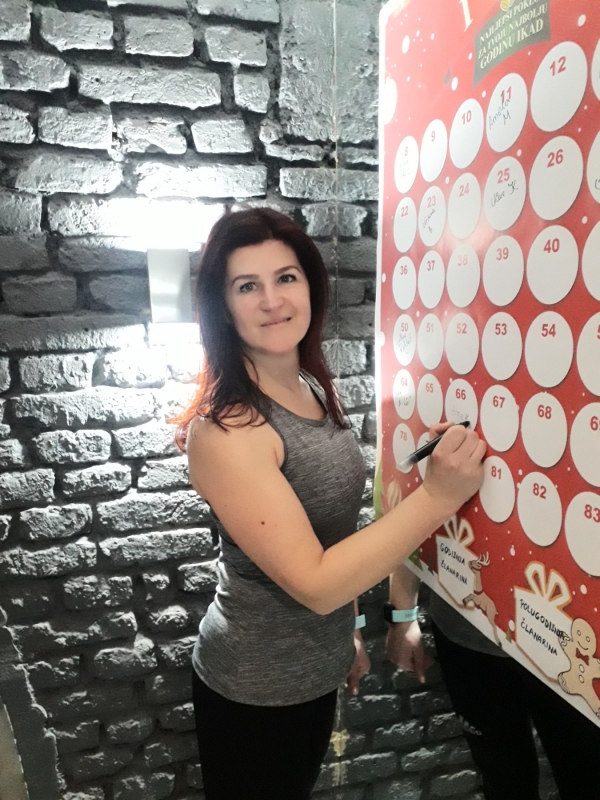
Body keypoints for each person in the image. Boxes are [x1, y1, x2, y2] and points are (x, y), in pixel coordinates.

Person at [175, 207, 486, 800]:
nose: (272, 301)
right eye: (247, 286)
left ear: (310, 287)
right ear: (222, 305)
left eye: (286, 277)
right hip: (256, 686)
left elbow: (332, 533)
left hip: (315, 668)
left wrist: (347, 633)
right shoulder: (225, 430)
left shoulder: (310, 387)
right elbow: (316, 583)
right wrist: (439, 496)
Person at [385, 563, 600, 800]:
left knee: (588, 781)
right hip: (468, 632)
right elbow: (404, 538)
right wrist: (402, 614)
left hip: (574, 645)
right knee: (503, 782)